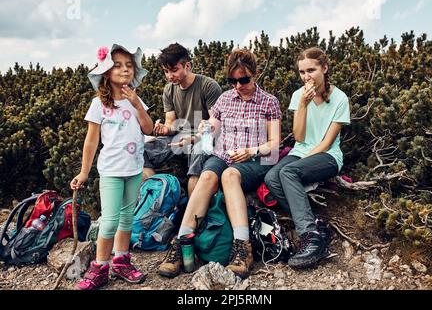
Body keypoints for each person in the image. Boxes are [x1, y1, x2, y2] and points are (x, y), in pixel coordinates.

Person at [158, 48, 281, 279]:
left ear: (254, 74)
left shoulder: (269, 102)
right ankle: (182, 242)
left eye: (243, 79)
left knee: (229, 176)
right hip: (223, 154)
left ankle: (242, 247)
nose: (238, 85)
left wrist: (251, 150)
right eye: (232, 80)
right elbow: (211, 129)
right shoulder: (225, 99)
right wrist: (196, 136)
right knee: (207, 177)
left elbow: (274, 144)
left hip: (256, 159)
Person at [70, 44, 153, 290]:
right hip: (111, 171)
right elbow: (91, 140)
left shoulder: (136, 101)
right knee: (109, 221)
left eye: (129, 66)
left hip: (135, 169)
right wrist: (84, 172)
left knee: (127, 218)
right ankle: (100, 267)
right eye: (118, 65)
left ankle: (121, 260)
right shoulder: (99, 104)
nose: (125, 70)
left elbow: (148, 129)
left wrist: (138, 105)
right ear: (106, 72)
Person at [264, 47, 351, 270]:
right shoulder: (298, 96)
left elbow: (326, 143)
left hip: (328, 156)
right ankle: (315, 223)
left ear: (325, 68)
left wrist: (299, 162)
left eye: (311, 70)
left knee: (288, 172)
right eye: (302, 72)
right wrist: (302, 104)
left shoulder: (340, 99)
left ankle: (310, 235)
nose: (306, 76)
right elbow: (300, 137)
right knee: (272, 177)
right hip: (300, 151)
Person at [143, 43, 222, 196]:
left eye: (174, 70)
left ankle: (193, 215)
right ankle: (155, 200)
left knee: (199, 152)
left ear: (187, 66)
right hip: (179, 138)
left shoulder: (208, 86)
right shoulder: (169, 89)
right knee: (141, 151)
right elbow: (171, 122)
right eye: (166, 71)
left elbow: (214, 125)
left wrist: (193, 139)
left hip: (205, 138)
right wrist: (164, 129)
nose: (169, 76)